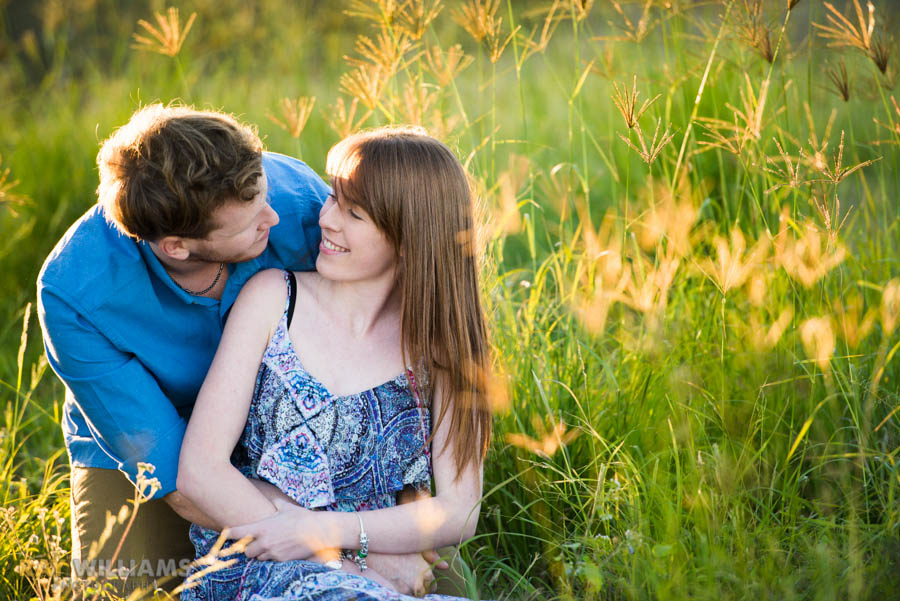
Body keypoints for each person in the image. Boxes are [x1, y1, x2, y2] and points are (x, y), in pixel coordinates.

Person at [37, 105, 440, 595]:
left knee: (435, 579)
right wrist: (355, 555)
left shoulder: (289, 199)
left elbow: (389, 332)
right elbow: (177, 476)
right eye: (251, 224)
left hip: (288, 429)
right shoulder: (74, 293)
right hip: (162, 461)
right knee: (123, 585)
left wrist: (403, 512)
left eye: (265, 196)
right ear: (177, 247)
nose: (274, 218)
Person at [176, 126, 494, 600]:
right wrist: (336, 559)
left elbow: (460, 510)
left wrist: (336, 536)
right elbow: (200, 471)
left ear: (409, 237)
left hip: (380, 568)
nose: (326, 219)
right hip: (259, 559)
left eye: (354, 213)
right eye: (332, 199)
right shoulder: (273, 300)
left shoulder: (442, 349)